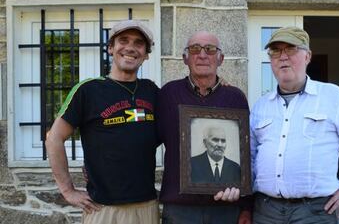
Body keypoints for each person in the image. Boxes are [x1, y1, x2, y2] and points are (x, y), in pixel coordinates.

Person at [250, 27, 339, 224]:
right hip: (266, 211)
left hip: (315, 212)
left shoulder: (334, 97)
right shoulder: (260, 106)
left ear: (307, 56)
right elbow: (249, 156)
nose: (283, 57)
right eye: (276, 51)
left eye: (291, 49)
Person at [45, 20, 160, 224]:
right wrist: (68, 190)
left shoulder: (152, 91)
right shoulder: (88, 90)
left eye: (138, 43)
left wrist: (217, 84)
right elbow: (54, 138)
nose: (130, 47)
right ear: (110, 49)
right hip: (103, 209)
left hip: (146, 206)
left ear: (146, 54)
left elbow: (181, 118)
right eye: (123, 41)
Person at [157, 31, 252, 224]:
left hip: (226, 209)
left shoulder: (235, 98)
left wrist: (246, 207)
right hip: (180, 210)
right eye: (194, 49)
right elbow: (143, 141)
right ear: (185, 58)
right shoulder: (168, 94)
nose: (202, 55)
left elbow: (246, 154)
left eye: (209, 49)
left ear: (220, 58)